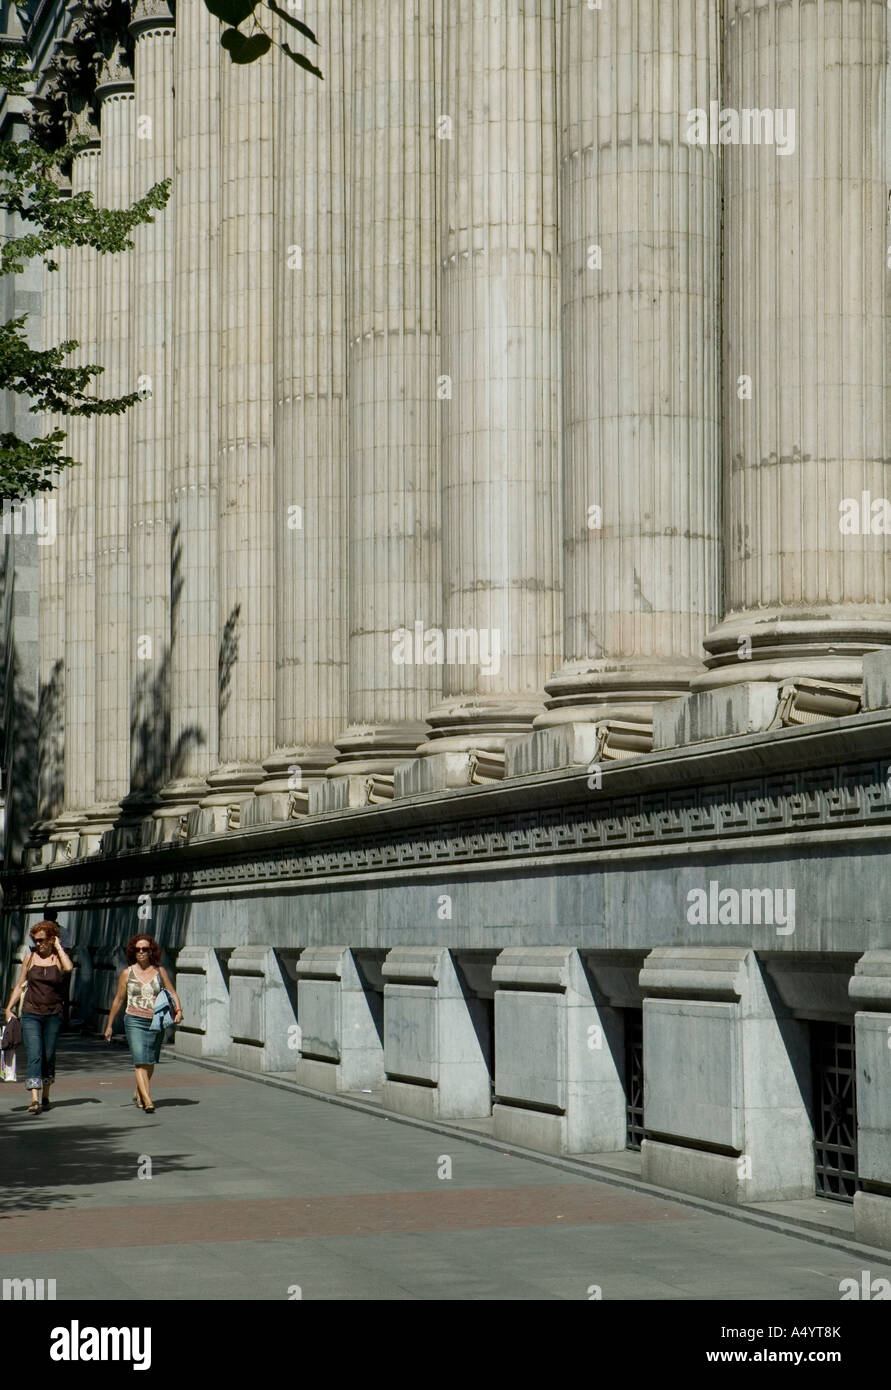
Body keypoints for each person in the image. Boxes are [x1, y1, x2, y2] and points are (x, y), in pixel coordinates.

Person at [105, 935, 182, 1114]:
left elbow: (172, 991)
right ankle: (147, 1100)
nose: (141, 952)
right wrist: (109, 1025)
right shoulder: (127, 973)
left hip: (156, 1021)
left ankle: (140, 1090)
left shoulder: (159, 971)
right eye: (138, 949)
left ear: (151, 951)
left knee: (150, 1060)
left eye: (145, 949)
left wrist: (178, 1011)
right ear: (133, 952)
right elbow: (118, 1000)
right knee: (140, 1060)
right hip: (133, 1020)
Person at [4, 920, 74, 1113]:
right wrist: (9, 1007)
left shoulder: (58, 959)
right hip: (31, 1013)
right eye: (35, 940)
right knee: (35, 1053)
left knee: (48, 1054)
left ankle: (46, 1095)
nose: (38, 943)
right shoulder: (30, 957)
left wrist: (59, 947)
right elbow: (19, 985)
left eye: (42, 940)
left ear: (51, 939)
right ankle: (34, 1098)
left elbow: (68, 968)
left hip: (53, 1014)